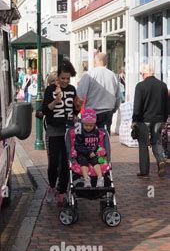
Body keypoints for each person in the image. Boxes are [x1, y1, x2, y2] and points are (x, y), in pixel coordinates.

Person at [42, 61, 79, 207]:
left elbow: (75, 111)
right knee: (53, 163)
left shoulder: (72, 89)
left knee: (65, 163)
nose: (65, 81)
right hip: (53, 130)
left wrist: (77, 108)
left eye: (68, 78)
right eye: (63, 78)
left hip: (68, 130)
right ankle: (52, 186)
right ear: (58, 77)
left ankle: (62, 192)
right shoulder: (50, 89)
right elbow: (45, 110)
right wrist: (56, 101)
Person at [132, 65, 168, 178]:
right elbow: (166, 105)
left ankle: (144, 171)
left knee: (143, 144)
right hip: (158, 119)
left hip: (144, 120)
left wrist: (134, 120)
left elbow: (137, 106)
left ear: (144, 73)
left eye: (141, 74)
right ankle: (161, 160)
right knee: (156, 141)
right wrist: (165, 118)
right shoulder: (163, 85)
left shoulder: (140, 86)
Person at [76, 52, 120, 132]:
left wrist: (78, 111)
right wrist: (114, 109)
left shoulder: (89, 74)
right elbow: (118, 96)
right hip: (108, 111)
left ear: (95, 61)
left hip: (92, 112)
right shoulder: (113, 75)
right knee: (105, 137)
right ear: (106, 61)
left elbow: (81, 95)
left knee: (90, 138)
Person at [74, 108, 105, 188]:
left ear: (94, 124)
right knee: (83, 162)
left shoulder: (96, 131)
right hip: (82, 153)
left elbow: (97, 143)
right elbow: (78, 145)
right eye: (86, 125)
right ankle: (86, 179)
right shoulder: (80, 132)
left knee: (96, 161)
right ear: (83, 123)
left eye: (91, 125)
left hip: (93, 153)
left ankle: (100, 178)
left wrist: (98, 150)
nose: (88, 127)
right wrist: (88, 152)